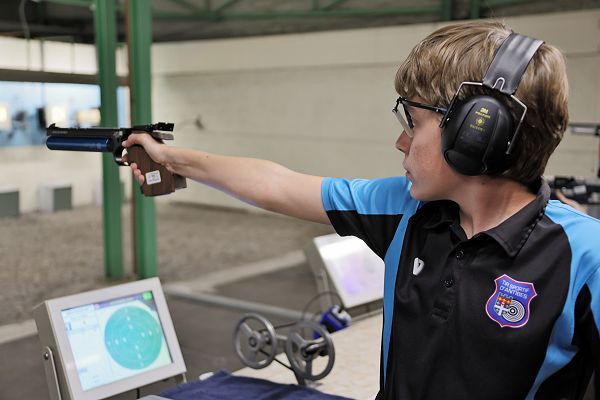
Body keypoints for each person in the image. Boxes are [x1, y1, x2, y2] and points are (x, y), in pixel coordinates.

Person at [123, 20, 600, 400]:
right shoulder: (407, 208)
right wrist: (172, 158)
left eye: (413, 122)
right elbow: (277, 186)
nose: (400, 141)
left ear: (477, 132)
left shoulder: (585, 256)